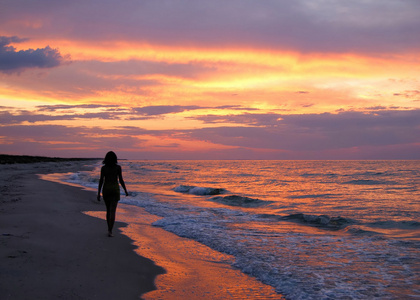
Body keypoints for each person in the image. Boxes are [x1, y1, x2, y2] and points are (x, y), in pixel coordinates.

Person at [97, 151, 128, 237]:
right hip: (115, 190)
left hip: (106, 189)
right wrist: (125, 190)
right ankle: (111, 230)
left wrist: (98, 193)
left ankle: (108, 230)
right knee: (113, 211)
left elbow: (101, 181)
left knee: (108, 210)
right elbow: (121, 180)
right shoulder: (118, 167)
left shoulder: (104, 168)